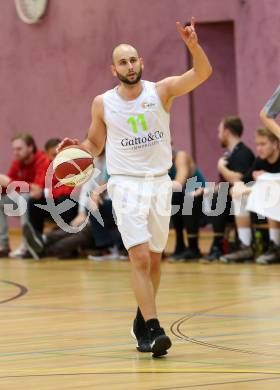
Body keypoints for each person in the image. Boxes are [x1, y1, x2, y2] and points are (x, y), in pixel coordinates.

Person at [57, 17, 212, 357]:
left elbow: (202, 74)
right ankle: (155, 328)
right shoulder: (103, 103)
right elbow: (95, 144)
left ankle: (142, 319)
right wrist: (76, 150)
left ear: (141, 62)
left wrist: (192, 46)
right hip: (125, 185)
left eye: (133, 59)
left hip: (159, 184)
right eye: (122, 62)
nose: (129, 65)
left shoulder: (162, 91)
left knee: (155, 262)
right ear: (113, 69)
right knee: (139, 258)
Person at [221, 127, 280, 264]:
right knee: (239, 195)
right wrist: (238, 187)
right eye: (257, 144)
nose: (259, 149)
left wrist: (265, 179)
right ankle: (245, 246)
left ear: (275, 144)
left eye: (263, 144)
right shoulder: (259, 161)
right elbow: (242, 183)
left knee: (271, 192)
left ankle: (275, 246)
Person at [204, 116, 255, 261]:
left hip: (244, 200)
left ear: (226, 132)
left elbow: (239, 180)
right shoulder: (230, 154)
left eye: (219, 131)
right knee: (196, 196)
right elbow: (226, 184)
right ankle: (190, 246)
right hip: (230, 198)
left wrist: (221, 168)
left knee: (217, 197)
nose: (218, 135)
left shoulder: (243, 153)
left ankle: (219, 244)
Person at [0, 133, 49, 258]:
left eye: (19, 149)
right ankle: (3, 245)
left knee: (24, 197)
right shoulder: (17, 163)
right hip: (26, 200)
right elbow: (8, 188)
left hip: (44, 203)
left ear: (30, 147)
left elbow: (37, 189)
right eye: (14, 149)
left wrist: (11, 183)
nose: (15, 153)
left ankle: (27, 245)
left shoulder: (42, 160)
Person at [168, 149, 206, 261]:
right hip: (184, 201)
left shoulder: (181, 156)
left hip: (203, 200)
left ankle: (193, 248)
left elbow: (179, 183)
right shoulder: (161, 162)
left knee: (179, 196)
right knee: (175, 198)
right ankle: (180, 245)